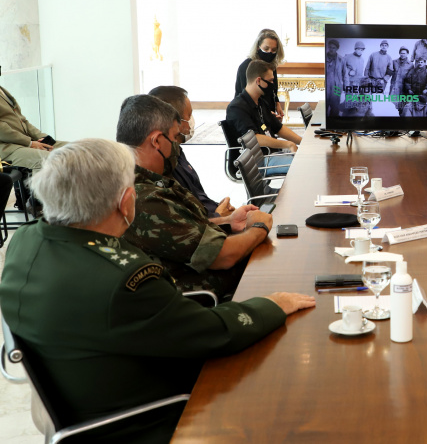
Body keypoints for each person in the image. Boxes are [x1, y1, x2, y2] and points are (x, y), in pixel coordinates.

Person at [0, 138, 316, 444]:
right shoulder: (123, 280)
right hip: (144, 420)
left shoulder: (25, 241)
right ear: (125, 201)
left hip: (89, 391)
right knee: (286, 393)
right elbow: (213, 332)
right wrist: (274, 304)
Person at [117, 95, 275, 300]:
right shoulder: (145, 198)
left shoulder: (147, 181)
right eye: (174, 138)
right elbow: (224, 256)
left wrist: (228, 222)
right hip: (212, 297)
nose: (177, 144)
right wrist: (259, 228)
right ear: (156, 141)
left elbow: (182, 230)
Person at [148, 86, 235, 218]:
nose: (191, 122)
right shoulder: (162, 166)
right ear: (174, 122)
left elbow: (197, 197)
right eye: (189, 116)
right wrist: (218, 216)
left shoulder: (177, 152)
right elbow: (188, 225)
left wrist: (217, 206)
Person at [225, 60, 299, 176]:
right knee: (303, 164)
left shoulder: (261, 102)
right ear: (258, 80)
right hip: (256, 161)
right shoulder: (236, 107)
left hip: (271, 153)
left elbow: (278, 128)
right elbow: (254, 138)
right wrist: (288, 144)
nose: (272, 85)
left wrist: (303, 142)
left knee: (308, 156)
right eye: (270, 81)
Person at [0, 84, 67, 172]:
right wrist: (30, 143)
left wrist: (41, 138)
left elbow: (23, 121)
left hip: (25, 142)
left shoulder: (2, 89)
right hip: (7, 148)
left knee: (76, 149)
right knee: (49, 160)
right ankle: (41, 186)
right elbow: (2, 130)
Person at [234, 28, 284, 122]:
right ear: (258, 47)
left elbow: (273, 88)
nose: (270, 52)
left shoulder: (270, 65)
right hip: (250, 114)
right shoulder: (245, 67)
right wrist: (266, 114)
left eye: (274, 50)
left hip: (266, 112)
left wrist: (276, 103)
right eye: (266, 48)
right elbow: (244, 97)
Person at [325, 38, 346, 118]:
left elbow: (345, 75)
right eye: (330, 47)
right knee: (325, 107)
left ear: (337, 48)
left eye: (333, 48)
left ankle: (334, 126)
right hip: (326, 87)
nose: (331, 49)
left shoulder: (341, 59)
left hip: (336, 87)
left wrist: (345, 87)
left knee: (335, 107)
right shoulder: (324, 58)